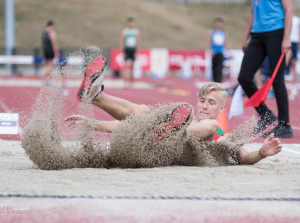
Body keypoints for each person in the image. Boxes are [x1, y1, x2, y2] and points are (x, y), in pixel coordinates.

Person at [65, 57, 282, 165]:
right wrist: (92, 124)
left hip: (163, 153)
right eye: (203, 101)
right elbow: (130, 126)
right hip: (148, 144)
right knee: (142, 111)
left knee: (208, 126)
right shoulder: (182, 118)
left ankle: (178, 134)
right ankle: (95, 96)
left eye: (211, 103)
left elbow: (244, 157)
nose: (205, 106)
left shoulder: (220, 134)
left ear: (221, 108)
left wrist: (261, 153)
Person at [238, 0, 293, 138]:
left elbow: (289, 10)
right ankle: (265, 114)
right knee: (244, 77)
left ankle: (284, 125)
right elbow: (252, 13)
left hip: (276, 32)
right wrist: (245, 38)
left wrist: (286, 38)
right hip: (257, 35)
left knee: (277, 79)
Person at [119, 17, 141, 88]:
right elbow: (122, 41)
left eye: (132, 23)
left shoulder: (136, 31)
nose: (131, 24)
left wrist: (136, 52)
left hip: (133, 49)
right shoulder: (125, 31)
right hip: (127, 49)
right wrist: (123, 52)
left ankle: (131, 82)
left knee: (132, 66)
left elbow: (138, 42)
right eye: (130, 23)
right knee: (125, 66)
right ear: (128, 24)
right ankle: (125, 82)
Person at [207, 18, 230, 83]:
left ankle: (219, 81)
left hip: (221, 52)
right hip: (214, 52)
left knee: (219, 68)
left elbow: (226, 42)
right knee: (214, 67)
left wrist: (228, 52)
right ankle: (214, 80)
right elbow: (209, 41)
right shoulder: (211, 32)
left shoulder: (224, 33)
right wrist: (210, 50)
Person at [42, 20, 60, 85]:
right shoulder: (52, 32)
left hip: (45, 50)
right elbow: (53, 42)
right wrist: (56, 50)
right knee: (50, 65)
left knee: (46, 65)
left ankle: (44, 78)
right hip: (50, 50)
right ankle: (48, 80)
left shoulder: (44, 32)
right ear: (52, 25)